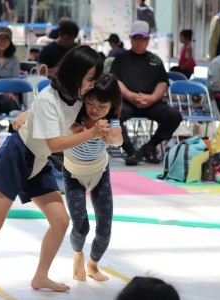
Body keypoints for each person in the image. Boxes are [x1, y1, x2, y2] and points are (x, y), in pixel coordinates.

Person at [0, 45, 105, 297]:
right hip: (17, 155)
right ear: (75, 74)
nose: (92, 84)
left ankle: (41, 276)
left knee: (60, 221)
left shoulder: (75, 97)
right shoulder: (49, 98)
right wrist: (90, 133)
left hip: (38, 160)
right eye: (90, 79)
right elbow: (54, 143)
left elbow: (58, 124)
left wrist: (28, 113)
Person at [64, 74, 122, 282]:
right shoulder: (74, 115)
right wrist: (81, 130)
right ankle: (77, 254)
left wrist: (106, 135)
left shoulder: (110, 121)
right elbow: (67, 129)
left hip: (100, 174)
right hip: (73, 174)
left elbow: (118, 139)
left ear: (112, 105)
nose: (95, 110)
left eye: (102, 106)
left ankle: (93, 264)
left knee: (105, 230)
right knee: (80, 227)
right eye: (90, 103)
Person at [110, 20, 182, 166]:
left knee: (174, 116)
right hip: (127, 101)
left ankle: (148, 147)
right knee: (112, 116)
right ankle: (130, 151)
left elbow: (163, 83)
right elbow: (115, 81)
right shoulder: (120, 59)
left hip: (152, 102)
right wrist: (130, 95)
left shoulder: (156, 60)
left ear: (148, 39)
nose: (139, 41)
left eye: (142, 38)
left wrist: (152, 98)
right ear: (130, 39)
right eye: (135, 38)